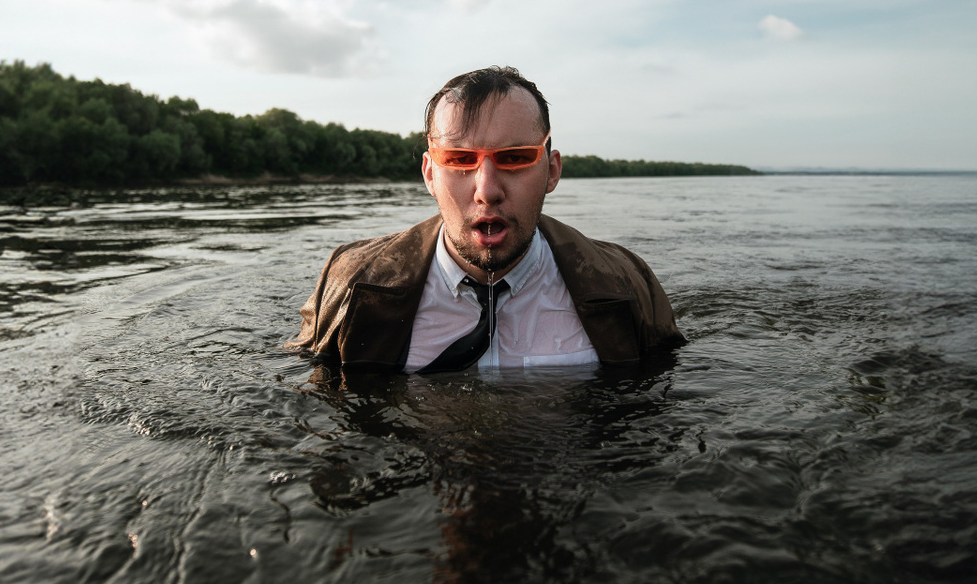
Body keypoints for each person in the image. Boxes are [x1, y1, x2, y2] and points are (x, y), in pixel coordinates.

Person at [288, 66, 684, 373]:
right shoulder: (352, 287)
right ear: (429, 174)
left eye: (515, 158)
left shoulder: (628, 286)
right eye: (459, 159)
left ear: (551, 171)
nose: (487, 190)